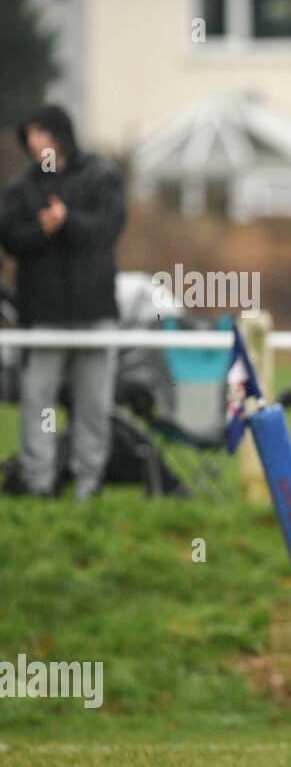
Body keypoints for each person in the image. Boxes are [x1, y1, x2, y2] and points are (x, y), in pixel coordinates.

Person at [0, 104, 126, 499]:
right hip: (42, 316)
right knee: (39, 402)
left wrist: (67, 222)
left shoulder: (101, 177)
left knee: (93, 405)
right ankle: (40, 484)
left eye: (43, 134)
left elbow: (108, 229)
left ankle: (88, 486)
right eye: (31, 136)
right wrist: (42, 228)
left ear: (61, 135)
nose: (37, 144)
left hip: (95, 313)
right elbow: (11, 239)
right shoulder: (21, 189)